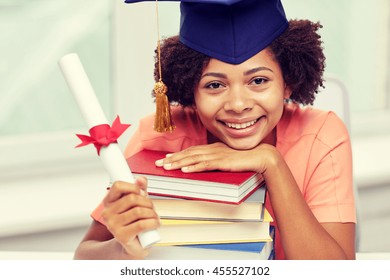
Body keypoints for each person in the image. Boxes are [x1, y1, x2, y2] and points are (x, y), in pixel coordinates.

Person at [74, 0, 356, 260]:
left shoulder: (321, 135)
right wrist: (122, 249)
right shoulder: (160, 136)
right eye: (214, 85)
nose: (237, 104)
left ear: (288, 83)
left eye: (258, 80)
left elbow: (336, 272)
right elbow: (84, 254)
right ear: (190, 90)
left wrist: (271, 162)